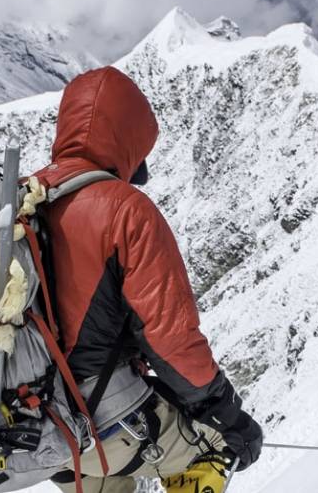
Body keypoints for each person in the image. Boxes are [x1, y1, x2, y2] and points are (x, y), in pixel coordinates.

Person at [32, 66, 264, 493]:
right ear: (131, 139)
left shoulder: (25, 200)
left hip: (33, 428)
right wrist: (227, 415)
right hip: (100, 422)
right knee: (222, 445)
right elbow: (170, 339)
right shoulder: (125, 210)